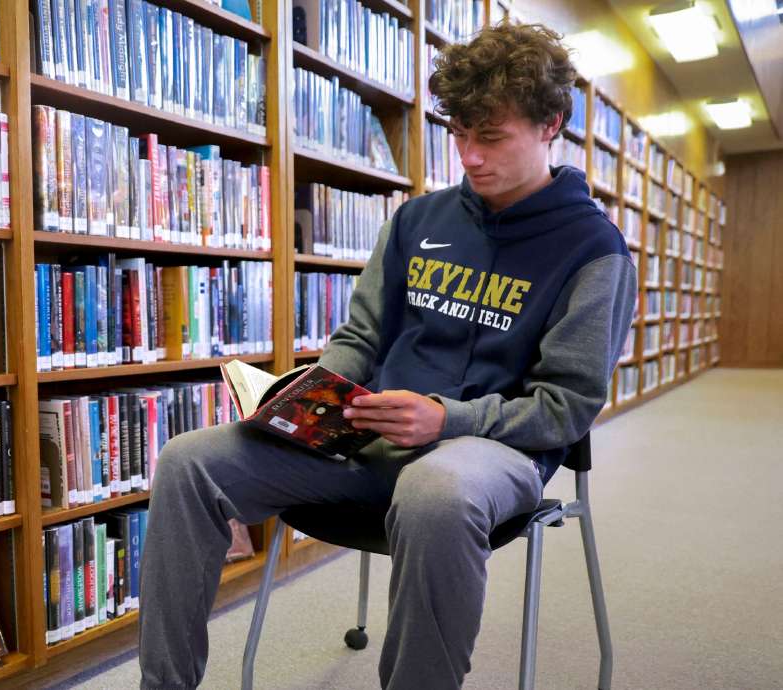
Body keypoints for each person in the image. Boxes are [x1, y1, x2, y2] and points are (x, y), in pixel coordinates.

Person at [138, 21, 638, 690]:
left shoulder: (594, 252)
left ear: (551, 125)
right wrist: (309, 394)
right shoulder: (417, 221)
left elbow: (564, 409)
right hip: (369, 440)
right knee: (189, 461)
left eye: (490, 137)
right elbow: (362, 338)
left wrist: (447, 421)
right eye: (457, 133)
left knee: (436, 492)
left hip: (493, 453)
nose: (468, 156)